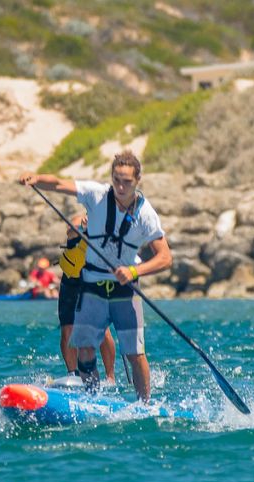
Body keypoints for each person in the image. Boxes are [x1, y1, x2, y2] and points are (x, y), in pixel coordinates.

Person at [18, 150, 172, 401]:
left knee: (135, 354)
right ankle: (93, 399)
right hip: (92, 287)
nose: (121, 186)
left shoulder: (146, 214)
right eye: (117, 180)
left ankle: (145, 405)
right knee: (85, 349)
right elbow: (59, 183)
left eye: (127, 182)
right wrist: (35, 178)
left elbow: (165, 258)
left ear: (138, 181)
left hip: (125, 289)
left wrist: (134, 270)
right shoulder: (97, 194)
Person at [57, 212, 117, 383]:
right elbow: (70, 232)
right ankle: (73, 374)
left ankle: (110, 377)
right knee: (67, 328)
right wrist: (84, 228)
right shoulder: (79, 218)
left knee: (102, 330)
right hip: (72, 280)